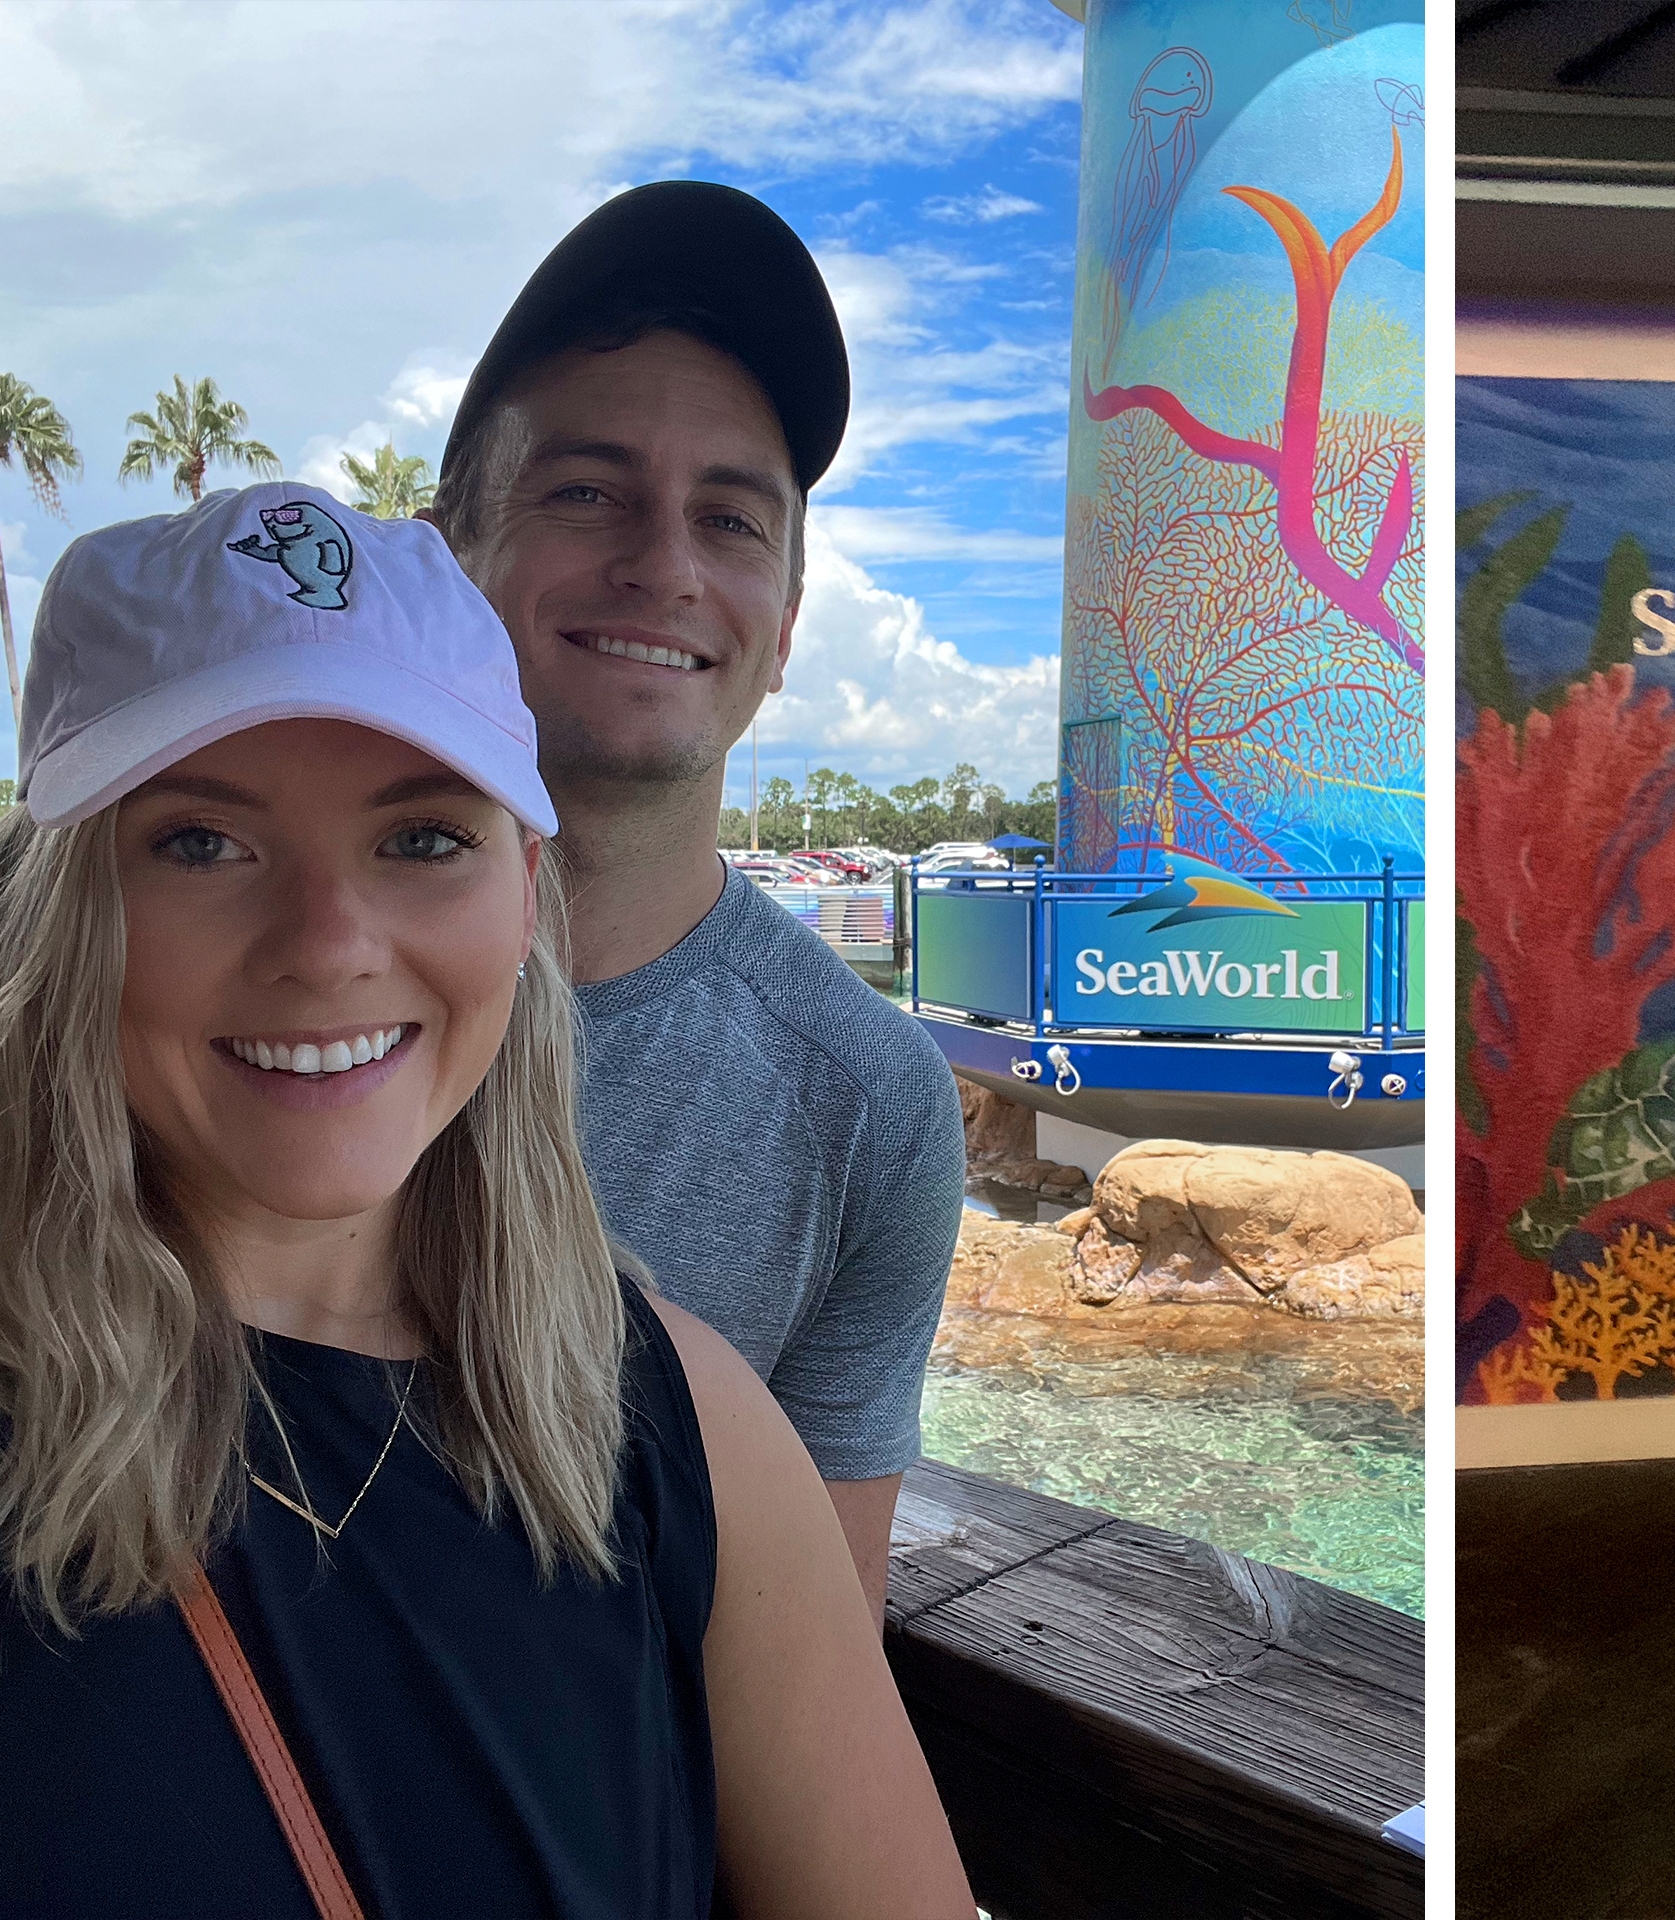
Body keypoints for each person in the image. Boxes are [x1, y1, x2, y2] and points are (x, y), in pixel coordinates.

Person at [0, 487, 973, 1917]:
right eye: (203, 842)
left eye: (422, 840)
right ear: (70, 904)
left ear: (525, 890)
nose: (329, 950)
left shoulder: (681, 1436)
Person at [426, 183, 966, 1626]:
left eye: (731, 518)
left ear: (784, 626)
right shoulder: (205, 994)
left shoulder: (869, 1107)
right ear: (448, 558)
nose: (663, 565)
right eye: (587, 490)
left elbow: (810, 1658)